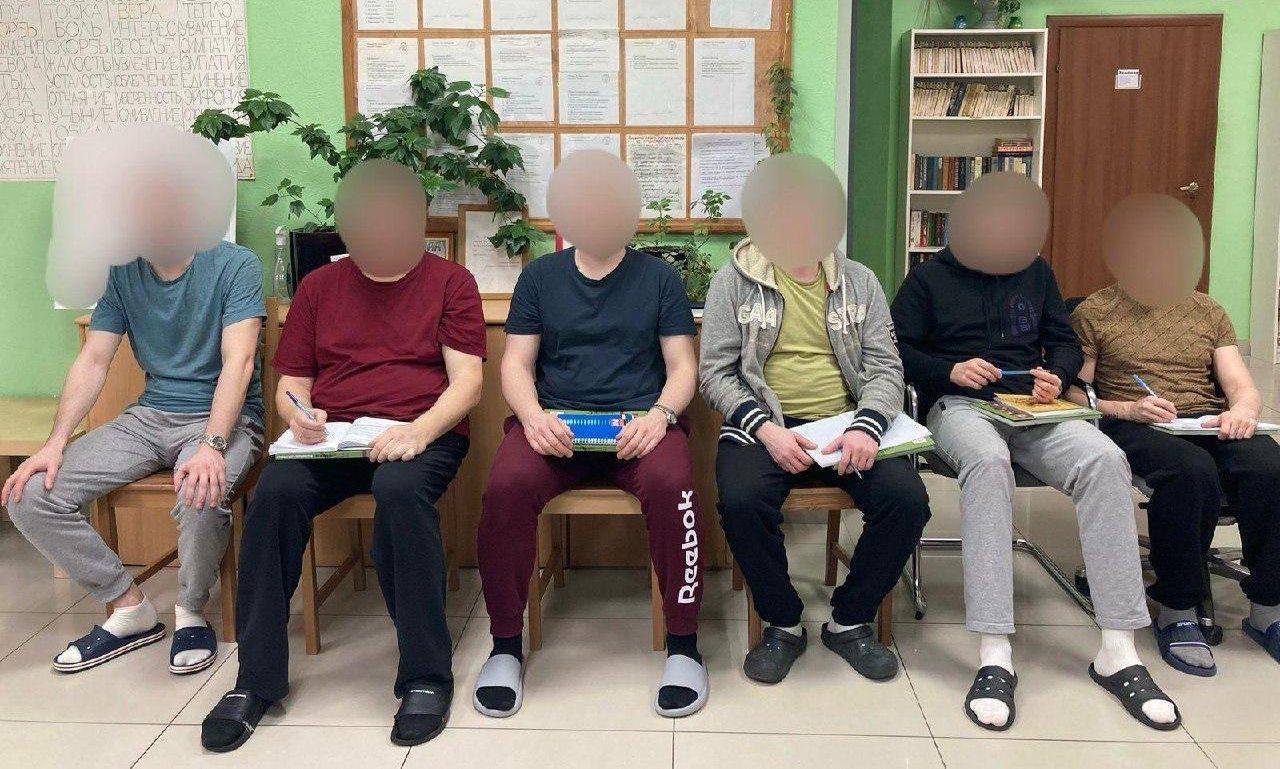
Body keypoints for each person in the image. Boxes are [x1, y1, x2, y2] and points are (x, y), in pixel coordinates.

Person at [200, 159, 485, 752]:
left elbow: (467, 385)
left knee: (399, 494)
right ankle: (254, 681)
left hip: (420, 431)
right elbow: (291, 383)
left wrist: (418, 431)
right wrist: (297, 413)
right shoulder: (319, 287)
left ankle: (426, 677)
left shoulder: (450, 282)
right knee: (273, 495)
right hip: (334, 437)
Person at [889, 172, 1179, 732]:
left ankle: (1119, 649)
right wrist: (950, 369)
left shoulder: (1037, 273)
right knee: (988, 463)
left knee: (1105, 460)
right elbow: (896, 351)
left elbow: (1064, 342)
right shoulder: (927, 278)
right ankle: (995, 651)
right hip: (959, 404)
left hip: (1032, 405)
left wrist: (1058, 375)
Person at [3, 131, 264, 678]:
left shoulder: (235, 265)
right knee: (29, 494)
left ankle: (191, 611)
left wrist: (213, 446)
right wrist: (54, 444)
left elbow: (238, 363)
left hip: (223, 419)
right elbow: (94, 360)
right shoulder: (122, 272)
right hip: (150, 417)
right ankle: (129, 608)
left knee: (200, 491)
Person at [473, 151, 707, 719]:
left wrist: (660, 416)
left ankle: (684, 646)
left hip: (639, 428)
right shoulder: (539, 277)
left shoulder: (659, 278)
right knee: (504, 487)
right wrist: (533, 417)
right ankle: (504, 645)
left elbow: (682, 367)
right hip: (556, 427)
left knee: (675, 486)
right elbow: (515, 364)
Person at [699, 153, 930, 685]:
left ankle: (850, 620)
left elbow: (886, 367)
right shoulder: (732, 281)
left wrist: (865, 426)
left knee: (907, 501)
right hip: (765, 426)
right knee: (740, 501)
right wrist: (766, 430)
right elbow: (715, 373)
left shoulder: (860, 281)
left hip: (847, 423)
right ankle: (782, 623)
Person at [1068, 218, 1280, 675]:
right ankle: (1178, 607)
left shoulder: (1207, 311)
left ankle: (1269, 607)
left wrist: (1242, 411)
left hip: (1204, 418)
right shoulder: (1096, 312)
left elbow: (1240, 385)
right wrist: (1127, 408)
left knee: (1270, 467)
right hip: (1134, 420)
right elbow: (1075, 394)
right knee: (1189, 472)